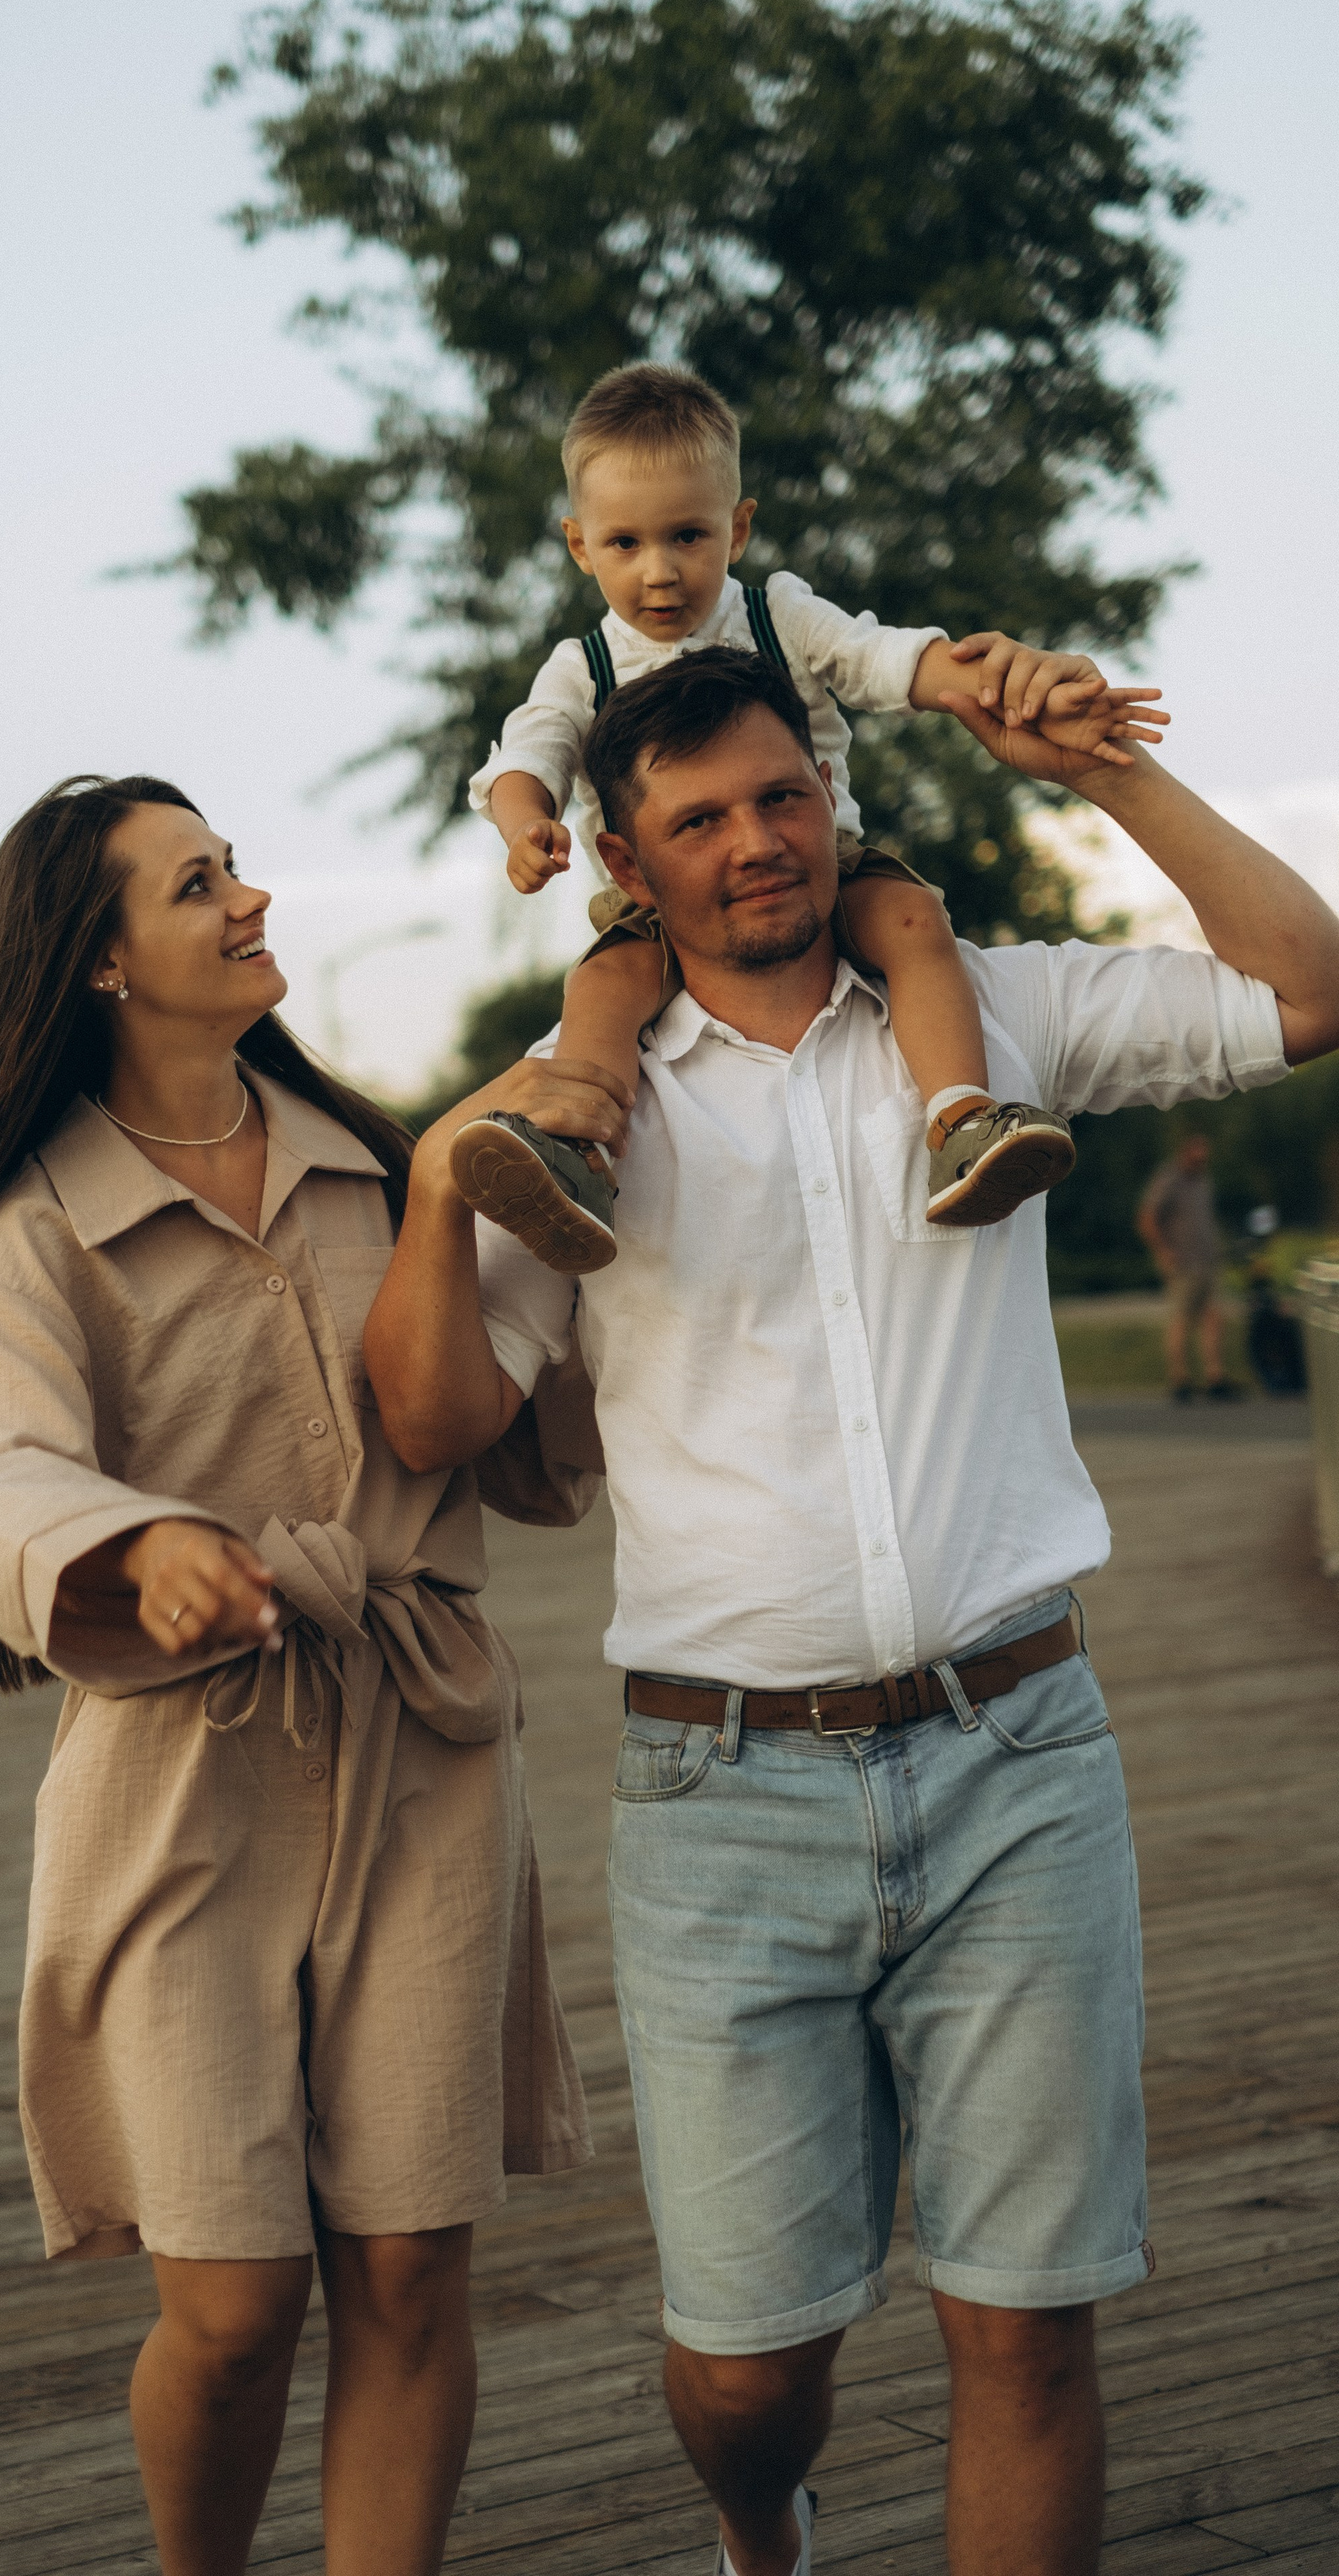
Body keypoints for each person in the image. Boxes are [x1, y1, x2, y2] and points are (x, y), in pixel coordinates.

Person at [363, 649, 1339, 2576]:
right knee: (747, 2369)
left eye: (783, 796)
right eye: (703, 820)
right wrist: (428, 1194)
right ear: (628, 867)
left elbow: (1312, 988)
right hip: (727, 1800)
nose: (757, 845)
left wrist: (1103, 778)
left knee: (1026, 2329)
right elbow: (435, 1421)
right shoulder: (581, 1110)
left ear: (833, 793)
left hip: (1019, 1756)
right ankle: (763, 2524)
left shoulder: (994, 1021)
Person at [0, 774, 591, 2576]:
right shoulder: (33, 1231)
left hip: (424, 1748)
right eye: (198, 882)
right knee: (229, 2296)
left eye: (231, 865)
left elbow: (509, 1411)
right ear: (102, 962)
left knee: (409, 2258)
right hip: (176, 1783)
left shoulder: (378, 1162)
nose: (247, 894)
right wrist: (136, 1543)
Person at [455, 361, 1170, 1269]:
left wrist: (984, 683)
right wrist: (527, 824)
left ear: (738, 527)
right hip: (663, 906)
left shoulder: (776, 612)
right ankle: (580, 1156)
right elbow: (528, 754)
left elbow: (878, 659)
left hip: (822, 862)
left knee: (915, 920)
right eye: (626, 544)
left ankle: (963, 1118)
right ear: (579, 546)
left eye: (689, 535)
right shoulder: (582, 665)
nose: (662, 571)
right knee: (601, 990)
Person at [1138, 1132, 1236, 1400]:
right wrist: (1163, 1251)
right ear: (1186, 1152)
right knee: (1181, 1319)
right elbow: (1147, 1217)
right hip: (1183, 1262)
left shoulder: (1204, 1180)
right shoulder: (1170, 1179)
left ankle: (1215, 1376)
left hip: (1207, 1260)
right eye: (1198, 1153)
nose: (1202, 1159)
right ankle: (1179, 1378)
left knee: (1212, 1318)